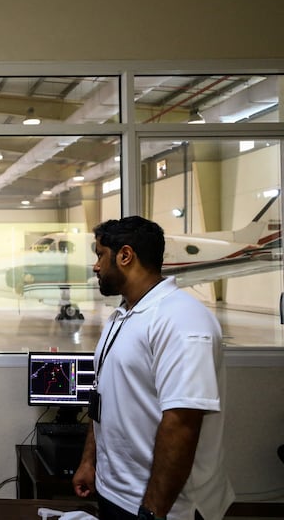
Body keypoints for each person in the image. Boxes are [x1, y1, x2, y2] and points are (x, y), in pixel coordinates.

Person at [72, 216, 234, 520]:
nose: (96, 266)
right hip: (115, 492)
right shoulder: (122, 316)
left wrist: (153, 511)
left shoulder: (182, 320)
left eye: (99, 255)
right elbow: (103, 395)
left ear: (125, 255)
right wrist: (89, 461)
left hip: (167, 508)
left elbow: (182, 423)